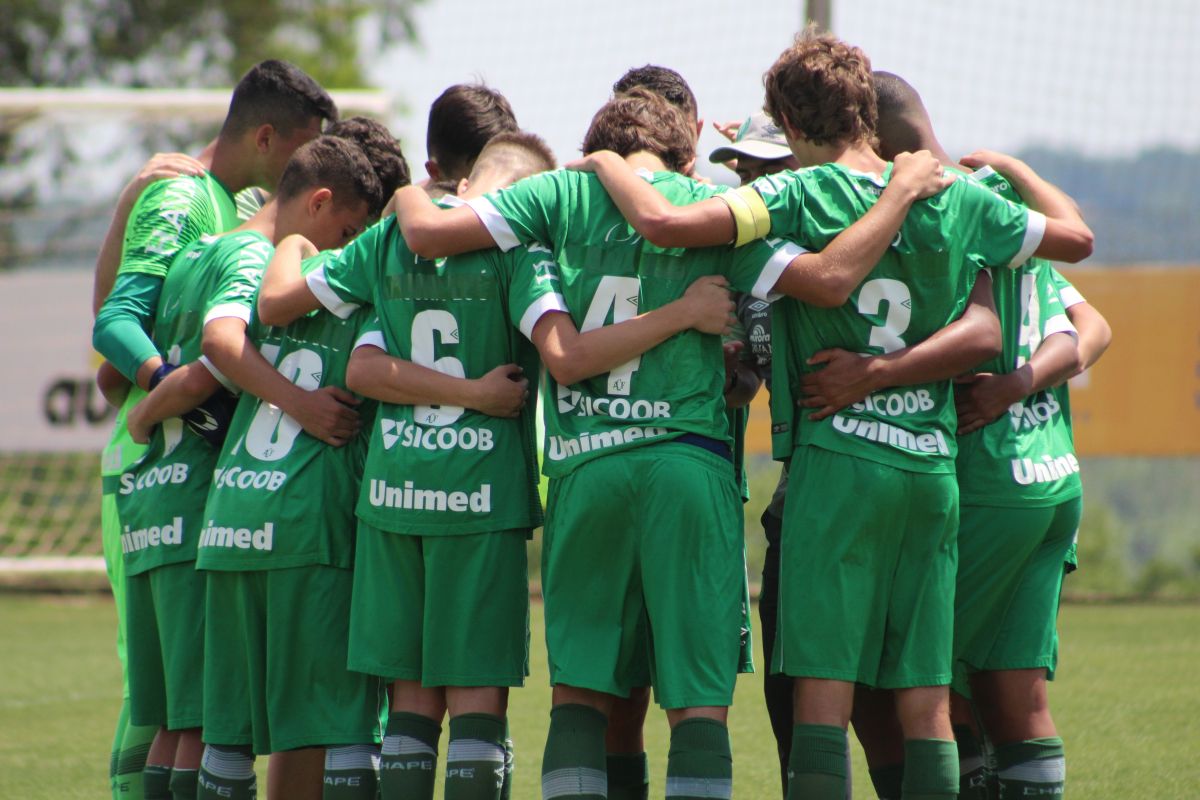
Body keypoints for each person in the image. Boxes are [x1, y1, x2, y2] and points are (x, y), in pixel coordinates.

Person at [568, 28, 1093, 800]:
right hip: (930, 474)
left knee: (823, 698)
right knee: (924, 701)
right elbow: (1076, 240)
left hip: (838, 468)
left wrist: (607, 162)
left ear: (790, 124)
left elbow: (670, 225)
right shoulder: (952, 194)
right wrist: (953, 180)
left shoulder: (792, 196)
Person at [389, 85, 950, 799]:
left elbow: (436, 234)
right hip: (689, 467)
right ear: (683, 152)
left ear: (599, 145)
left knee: (582, 696)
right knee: (696, 703)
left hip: (587, 468)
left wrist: (414, 187)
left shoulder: (559, 195)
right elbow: (821, 280)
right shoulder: (705, 210)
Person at [256, 128, 742, 800]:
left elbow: (312, 329)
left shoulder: (390, 236)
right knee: (477, 697)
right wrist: (481, 394)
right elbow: (568, 354)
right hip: (478, 501)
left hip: (393, 498)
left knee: (409, 702)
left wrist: (293, 239)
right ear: (519, 197)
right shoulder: (523, 255)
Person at [852, 69, 1112, 800]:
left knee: (925, 680)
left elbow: (980, 333)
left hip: (986, 477)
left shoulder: (936, 210)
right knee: (1017, 689)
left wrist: (875, 373)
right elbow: (1092, 326)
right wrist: (1018, 168)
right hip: (1052, 475)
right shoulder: (1000, 202)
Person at [90, 59, 336, 800]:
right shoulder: (184, 195)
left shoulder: (243, 205)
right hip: (161, 467)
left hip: (177, 474)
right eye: (302, 151)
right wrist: (176, 393)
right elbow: (113, 328)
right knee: (179, 707)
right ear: (266, 137)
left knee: (174, 705)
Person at [117, 135, 378, 800]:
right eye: (349, 230)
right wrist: (301, 405)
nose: (349, 244)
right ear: (322, 204)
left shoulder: (200, 255)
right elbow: (216, 353)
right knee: (319, 722)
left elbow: (112, 337)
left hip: (201, 511)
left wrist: (141, 418)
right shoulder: (260, 257)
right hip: (260, 511)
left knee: (195, 726)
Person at [422, 83, 519, 197]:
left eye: (505, 174)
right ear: (435, 171)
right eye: (478, 178)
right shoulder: (408, 209)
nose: (496, 191)